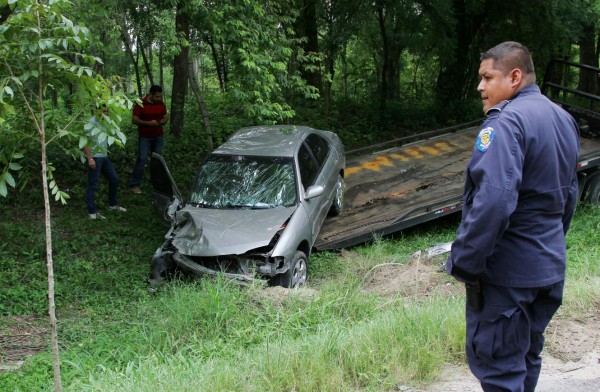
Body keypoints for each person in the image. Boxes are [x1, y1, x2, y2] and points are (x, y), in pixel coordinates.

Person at [446, 41, 579, 392]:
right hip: (548, 268)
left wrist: (465, 261)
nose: (480, 86)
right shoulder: (563, 119)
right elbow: (569, 195)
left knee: (501, 369)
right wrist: (547, 243)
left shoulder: (506, 123)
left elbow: (494, 201)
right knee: (526, 358)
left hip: (508, 276)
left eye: (487, 77)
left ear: (515, 77)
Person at [83, 106, 127, 219]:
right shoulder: (91, 123)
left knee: (114, 179)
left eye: (107, 111)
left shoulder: (106, 123)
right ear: (97, 111)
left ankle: (112, 205)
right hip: (95, 157)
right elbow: (84, 143)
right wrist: (90, 158)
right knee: (93, 184)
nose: (106, 113)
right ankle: (92, 213)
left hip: (104, 157)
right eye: (104, 111)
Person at [129, 85, 168, 194]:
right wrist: (148, 123)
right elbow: (134, 119)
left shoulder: (160, 103)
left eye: (160, 96)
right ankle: (134, 184)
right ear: (150, 94)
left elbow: (165, 115)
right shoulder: (140, 104)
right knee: (142, 159)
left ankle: (155, 183)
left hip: (158, 136)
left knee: (157, 159)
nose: (159, 99)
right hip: (145, 137)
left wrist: (164, 120)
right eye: (157, 97)